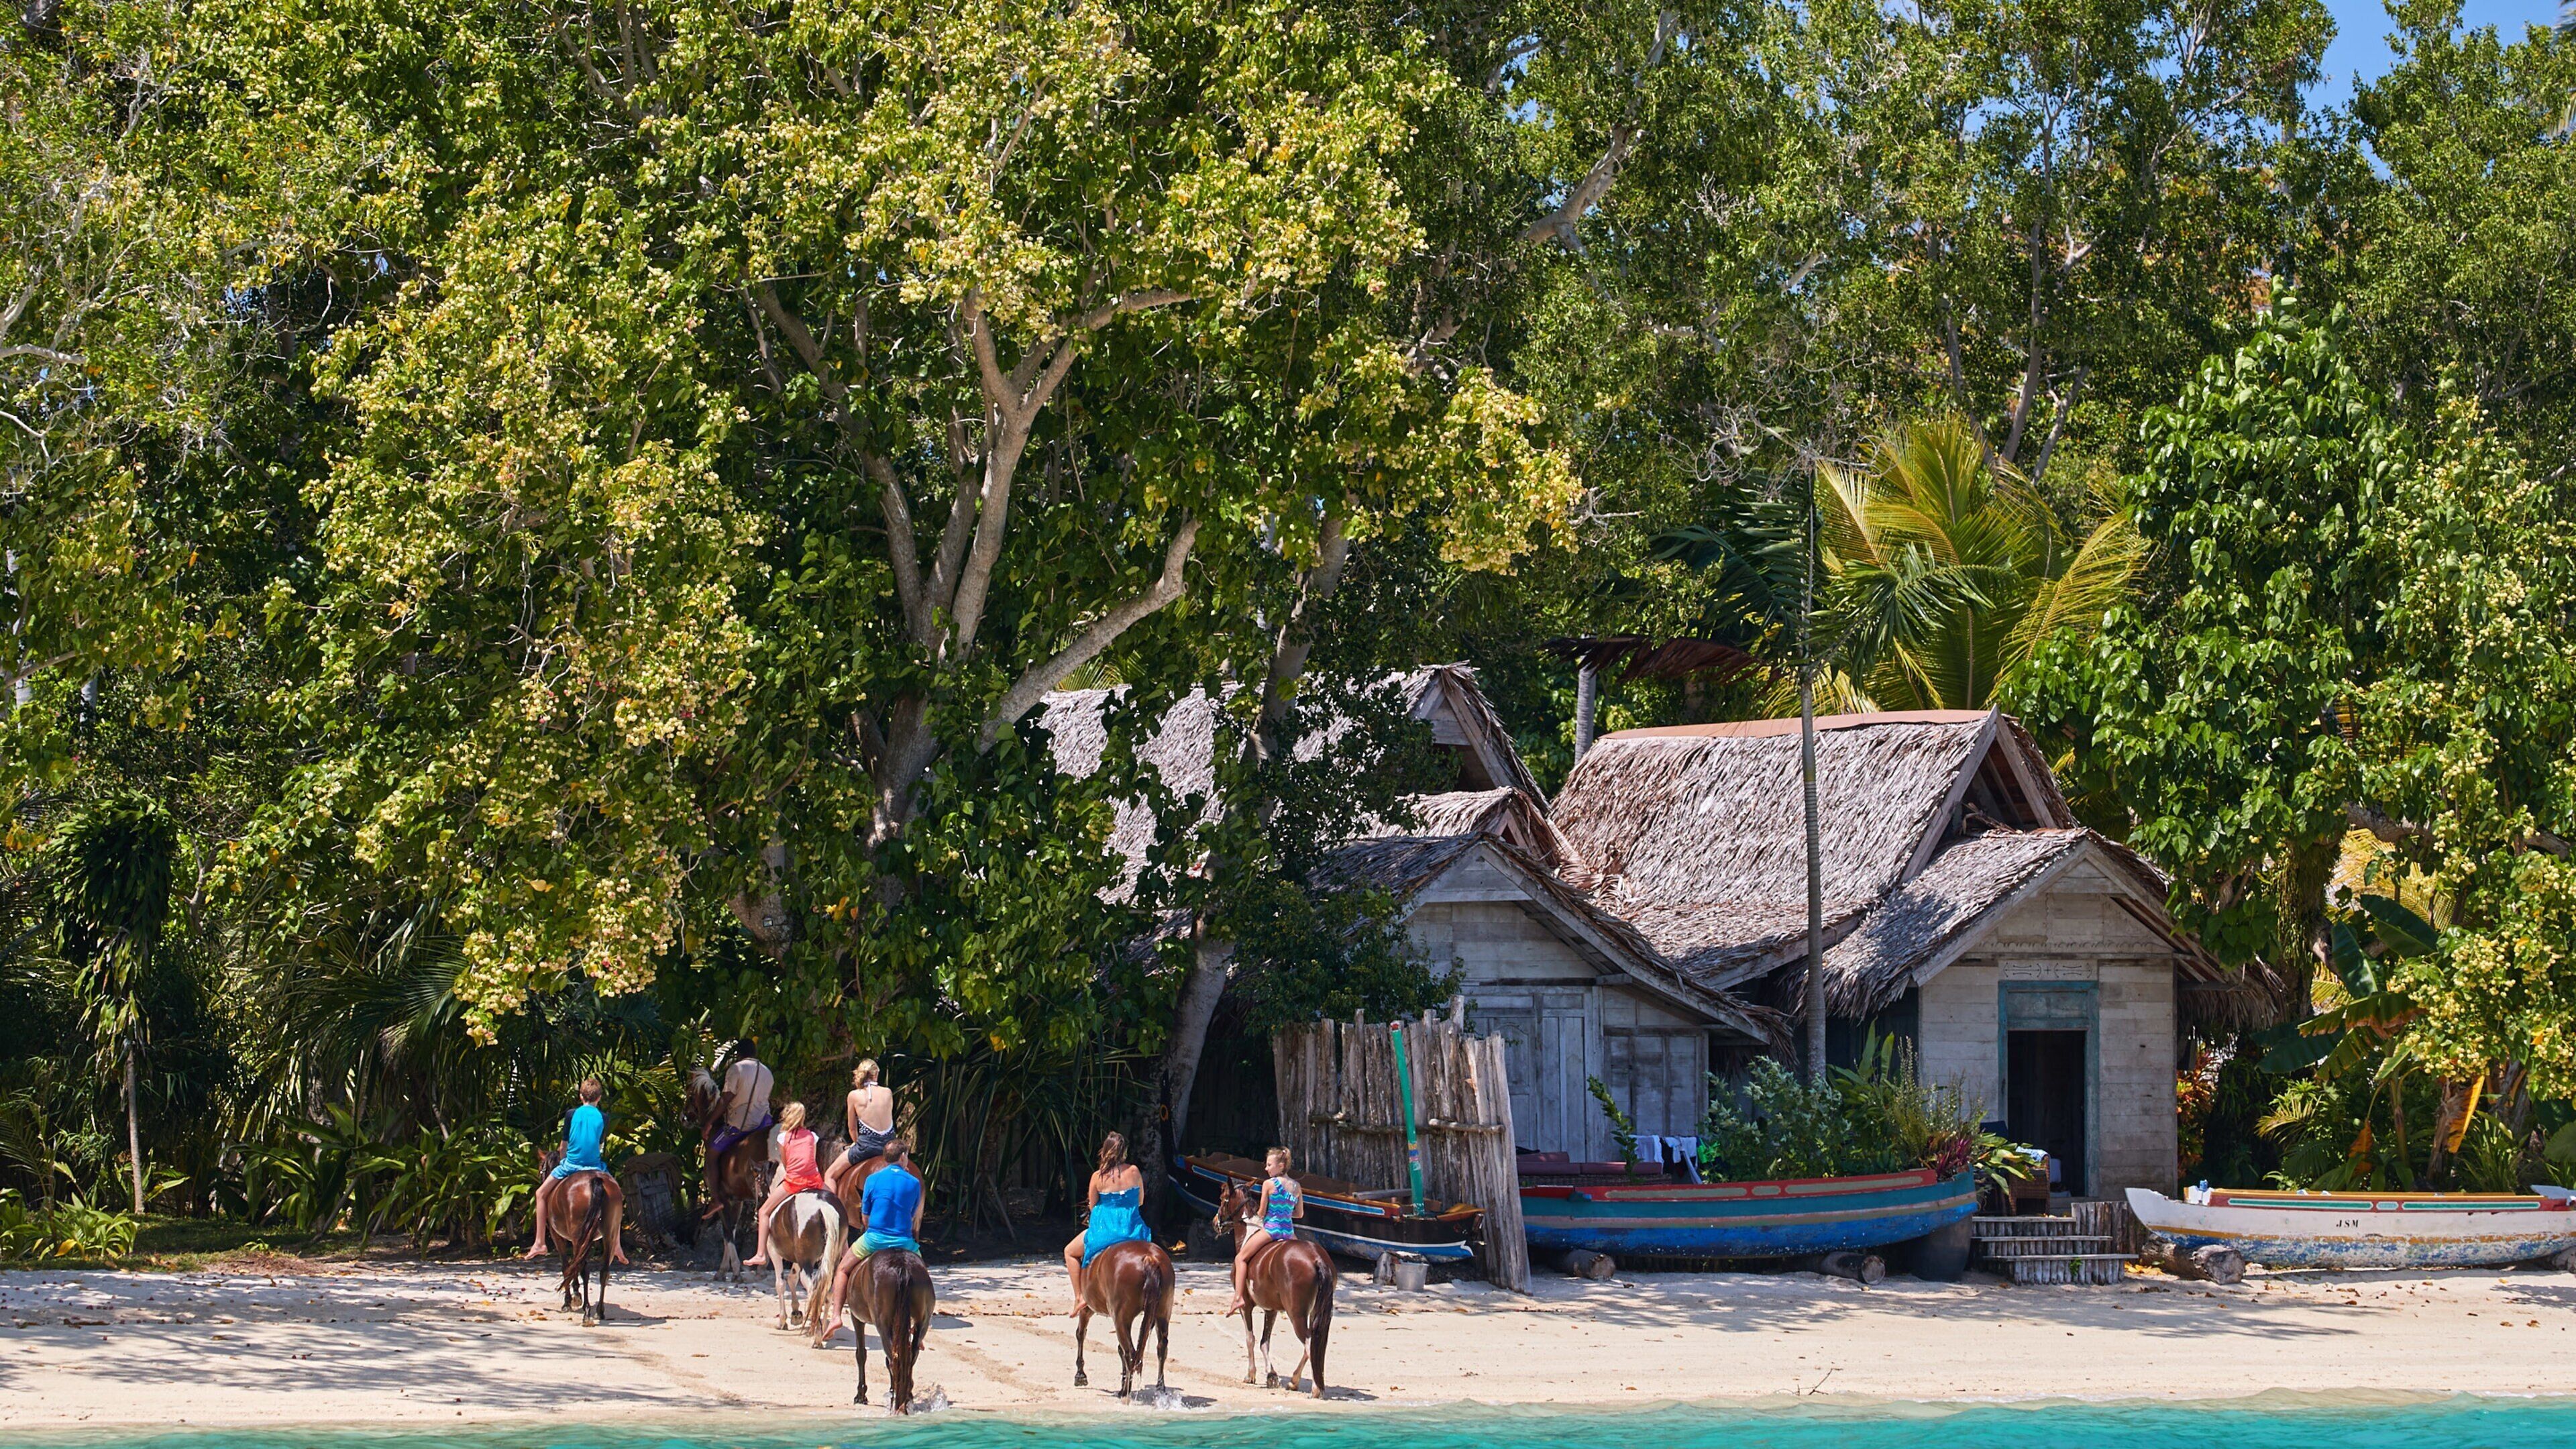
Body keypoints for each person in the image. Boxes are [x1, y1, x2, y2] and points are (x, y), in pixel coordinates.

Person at [812, 1134, 927, 1340]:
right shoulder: (913, 1182)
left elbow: (865, 1216)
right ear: (903, 1157)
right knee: (923, 1276)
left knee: (843, 1269)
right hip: (905, 1242)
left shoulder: (872, 1180)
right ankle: (918, 1328)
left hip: (875, 1238)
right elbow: (911, 1215)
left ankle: (836, 1316)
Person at [527, 1077, 627, 1265]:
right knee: (617, 1196)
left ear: (581, 1096)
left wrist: (563, 1160)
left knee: (540, 1193)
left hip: (572, 1165)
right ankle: (617, 1245)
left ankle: (540, 1242)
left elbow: (563, 1146)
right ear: (599, 1098)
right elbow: (599, 1146)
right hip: (596, 1166)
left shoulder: (571, 1114)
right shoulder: (605, 1117)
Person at [1063, 1131, 1149, 1316]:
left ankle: (1079, 1297)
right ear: (1124, 1151)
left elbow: (1093, 1205)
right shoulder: (1134, 1171)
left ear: (1105, 1151)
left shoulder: (1098, 1177)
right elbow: (1141, 1201)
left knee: (1069, 1251)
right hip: (1132, 1230)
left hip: (1106, 1230)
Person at [743, 1099, 825, 1269]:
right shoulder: (812, 1136)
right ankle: (845, 1250)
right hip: (814, 1180)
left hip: (794, 1182)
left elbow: (787, 1165)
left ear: (787, 1116)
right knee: (838, 1205)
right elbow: (813, 1160)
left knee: (764, 1211)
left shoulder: (782, 1137)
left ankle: (760, 1254)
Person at [702, 1038, 775, 1208]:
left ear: (738, 1054)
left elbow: (726, 1099)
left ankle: (716, 1199)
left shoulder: (736, 1069)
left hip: (740, 1125)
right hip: (764, 1123)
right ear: (755, 1053)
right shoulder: (768, 1072)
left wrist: (709, 1122)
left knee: (711, 1154)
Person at [1227, 1146, 1301, 1313]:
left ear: (1280, 1166)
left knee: (1241, 1258)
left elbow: (1261, 1212)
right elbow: (1299, 1213)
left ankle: (1238, 1298)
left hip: (1272, 1230)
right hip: (1289, 1232)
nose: (1266, 1168)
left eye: (1269, 1165)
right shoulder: (1297, 1187)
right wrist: (1285, 1213)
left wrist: (1260, 1215)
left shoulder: (1269, 1184)